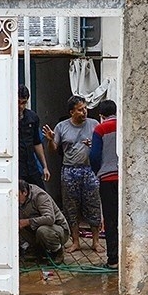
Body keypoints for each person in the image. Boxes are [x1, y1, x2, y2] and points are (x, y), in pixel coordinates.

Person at [42, 95, 102, 254]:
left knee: (93, 204)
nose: (85, 112)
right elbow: (54, 150)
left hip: (89, 170)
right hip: (69, 170)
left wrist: (93, 145)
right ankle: (75, 242)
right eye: (80, 110)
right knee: (71, 207)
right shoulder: (62, 127)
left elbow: (100, 147)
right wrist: (50, 140)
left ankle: (96, 242)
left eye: (85, 108)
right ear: (71, 112)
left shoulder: (94, 125)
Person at [89, 99, 119, 270]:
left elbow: (94, 156)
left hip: (107, 180)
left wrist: (97, 170)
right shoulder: (123, 126)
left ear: (101, 115)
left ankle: (113, 259)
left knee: (110, 218)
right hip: (123, 178)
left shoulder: (100, 129)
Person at [18, 179, 70, 265]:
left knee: (43, 230)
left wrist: (28, 222)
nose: (15, 197)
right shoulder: (18, 200)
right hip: (34, 230)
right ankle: (33, 250)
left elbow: (49, 218)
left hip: (57, 230)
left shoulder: (40, 196)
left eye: (18, 195)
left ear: (25, 192)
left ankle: (57, 251)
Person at [18, 85, 50, 189]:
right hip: (17, 165)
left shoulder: (32, 117)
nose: (21, 106)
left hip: (31, 165)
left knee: (41, 194)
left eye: (23, 103)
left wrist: (44, 166)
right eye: (18, 102)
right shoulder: (7, 117)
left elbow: (37, 143)